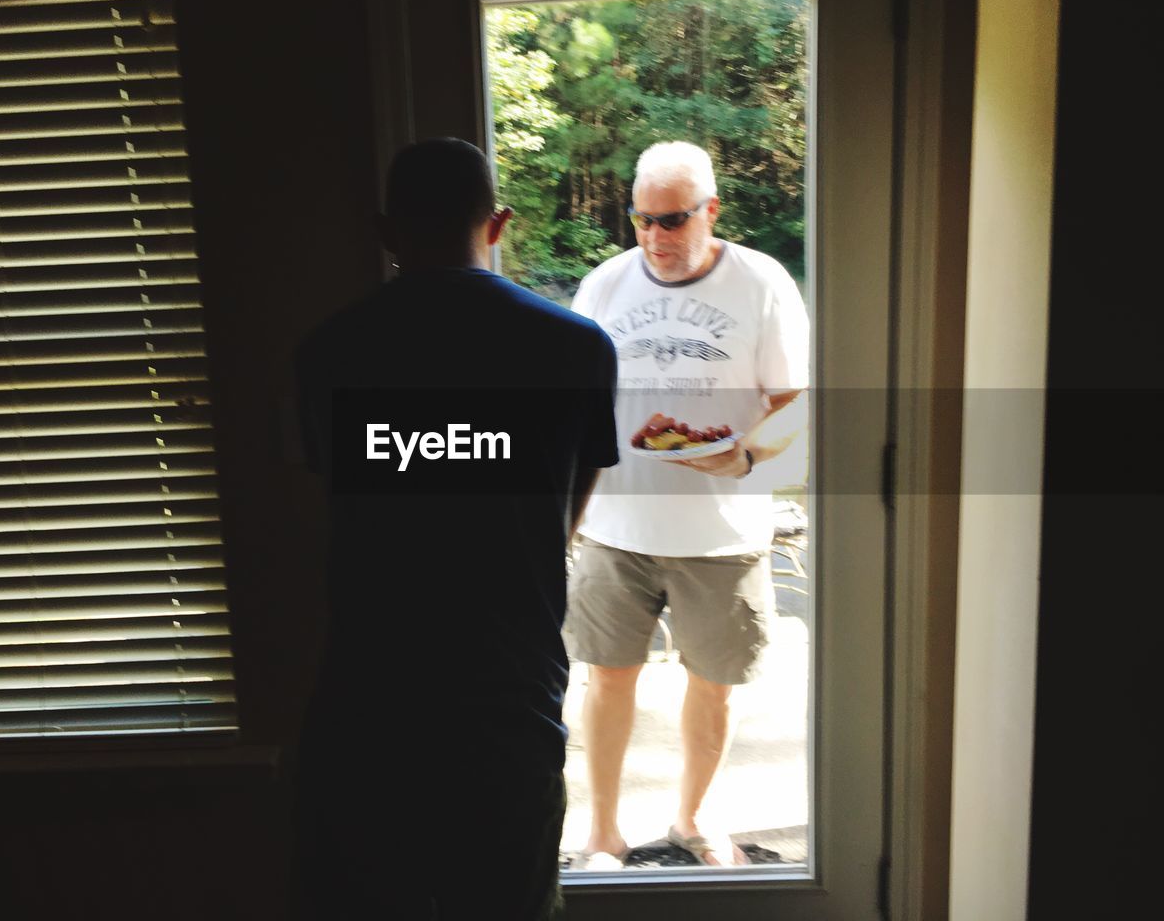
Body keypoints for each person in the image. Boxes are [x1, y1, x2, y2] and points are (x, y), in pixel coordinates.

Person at [292, 138, 619, 919]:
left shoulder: (329, 350)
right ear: (498, 224)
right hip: (511, 694)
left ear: (385, 231)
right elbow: (565, 512)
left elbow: (329, 498)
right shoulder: (579, 348)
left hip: (369, 698)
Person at [564, 141, 809, 868]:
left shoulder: (761, 282)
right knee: (606, 676)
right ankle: (602, 833)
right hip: (616, 524)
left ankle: (692, 819)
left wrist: (744, 455)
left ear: (712, 211)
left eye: (672, 221)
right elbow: (575, 405)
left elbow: (797, 403)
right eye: (642, 220)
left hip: (723, 528)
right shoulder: (604, 285)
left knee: (715, 685)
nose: (654, 237)